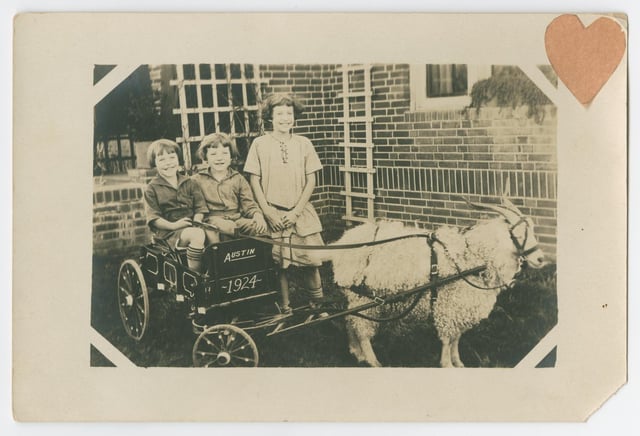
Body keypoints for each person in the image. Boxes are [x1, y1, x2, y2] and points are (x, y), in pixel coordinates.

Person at [244, 93, 325, 314]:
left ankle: (318, 305)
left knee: (311, 260)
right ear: (270, 116)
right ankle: (285, 308)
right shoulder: (259, 144)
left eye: (289, 113)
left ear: (294, 116)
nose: (285, 118)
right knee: (280, 264)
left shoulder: (304, 143)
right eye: (280, 113)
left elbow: (311, 179)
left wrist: (297, 211)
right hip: (274, 211)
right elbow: (254, 180)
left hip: (300, 211)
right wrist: (268, 212)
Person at [143, 139, 207, 273]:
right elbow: (153, 217)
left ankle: (214, 273)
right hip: (168, 234)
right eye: (161, 160)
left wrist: (197, 220)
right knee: (197, 235)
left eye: (172, 157)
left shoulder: (189, 182)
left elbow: (200, 207)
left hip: (192, 226)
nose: (168, 163)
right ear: (154, 164)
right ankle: (195, 277)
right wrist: (174, 225)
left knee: (213, 234)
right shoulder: (152, 188)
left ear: (178, 159)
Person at [191, 133, 267, 244]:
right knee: (229, 228)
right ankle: (225, 258)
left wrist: (258, 215)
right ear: (205, 157)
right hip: (212, 220)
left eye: (225, 153)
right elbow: (194, 206)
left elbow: (249, 204)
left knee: (258, 227)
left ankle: (257, 259)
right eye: (213, 154)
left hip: (236, 219)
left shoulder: (238, 178)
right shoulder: (197, 180)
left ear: (231, 156)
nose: (219, 158)